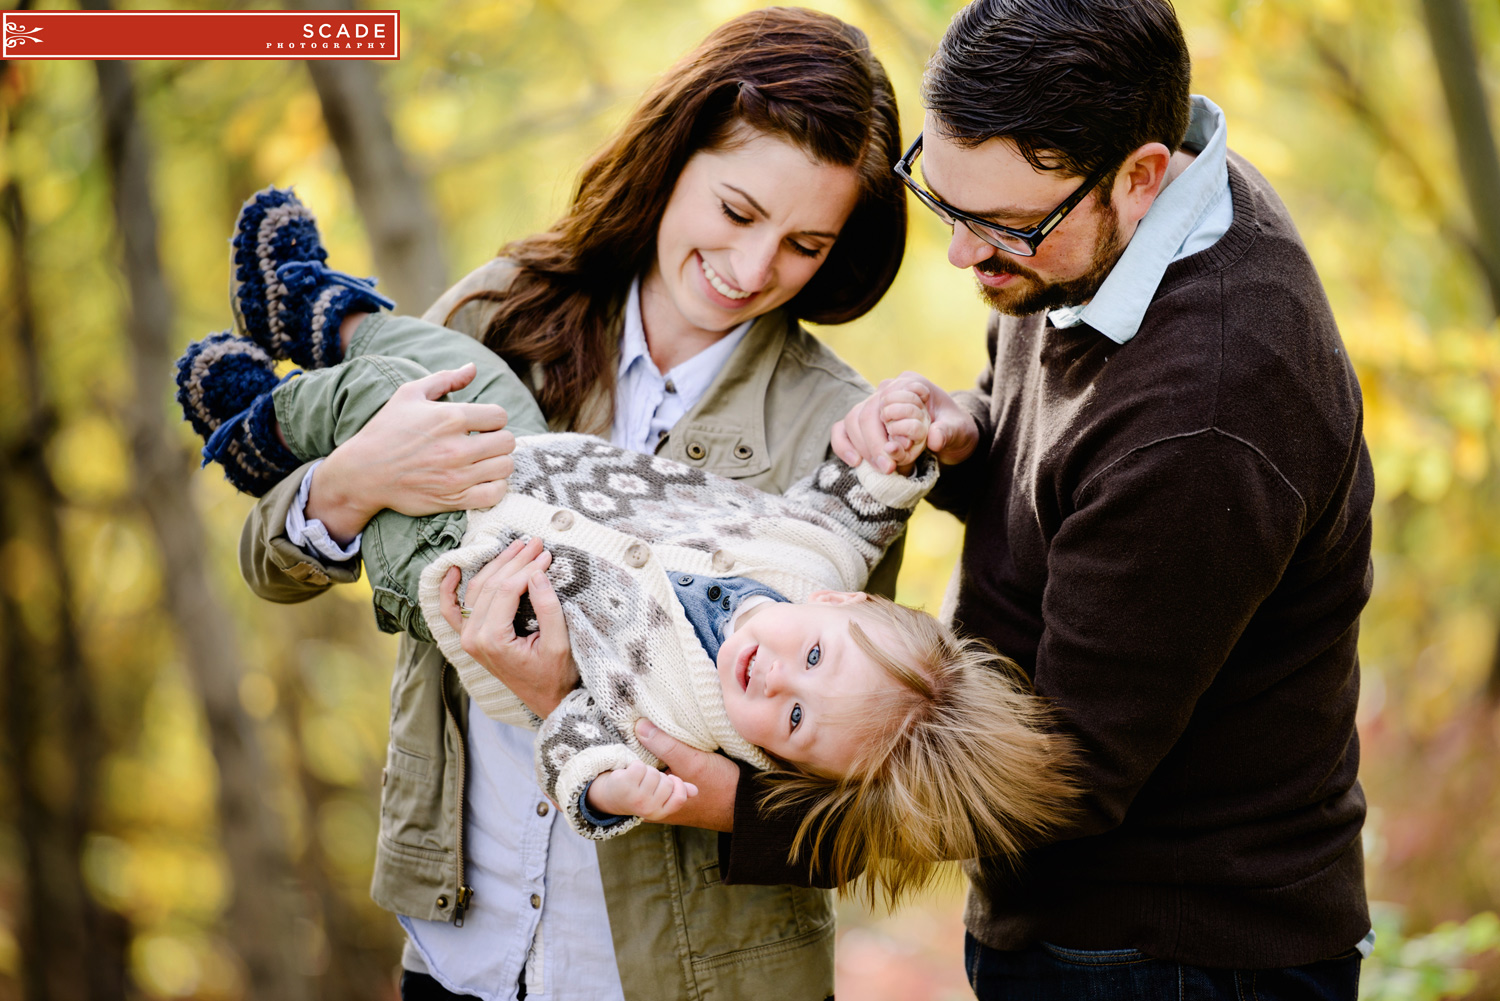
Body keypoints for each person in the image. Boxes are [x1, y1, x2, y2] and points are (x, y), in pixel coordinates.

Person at [235, 9, 911, 1000]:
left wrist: (590, 721)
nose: (756, 267)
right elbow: (267, 558)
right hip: (463, 946)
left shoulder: (841, 438)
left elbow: (852, 814)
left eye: (806, 243)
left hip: (690, 976)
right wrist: (356, 481)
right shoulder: (500, 315)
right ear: (674, 158)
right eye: (736, 210)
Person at [177, 205, 1076, 898]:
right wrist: (891, 447)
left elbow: (583, 744)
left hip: (453, 564)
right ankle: (330, 318)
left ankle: (262, 418)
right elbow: (849, 507)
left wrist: (609, 786)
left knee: (374, 396)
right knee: (452, 376)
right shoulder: (815, 570)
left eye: (796, 720)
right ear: (850, 609)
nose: (775, 679)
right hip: (525, 460)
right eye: (811, 657)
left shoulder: (696, 731)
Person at [812, 0, 1374, 998]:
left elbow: (1064, 769)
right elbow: (1080, 468)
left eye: (1001, 225)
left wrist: (735, 800)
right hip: (1091, 929)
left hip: (1173, 952)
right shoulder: (1109, 232)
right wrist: (967, 431)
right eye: (944, 201)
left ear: (1143, 174)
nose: (962, 254)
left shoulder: (1212, 405)